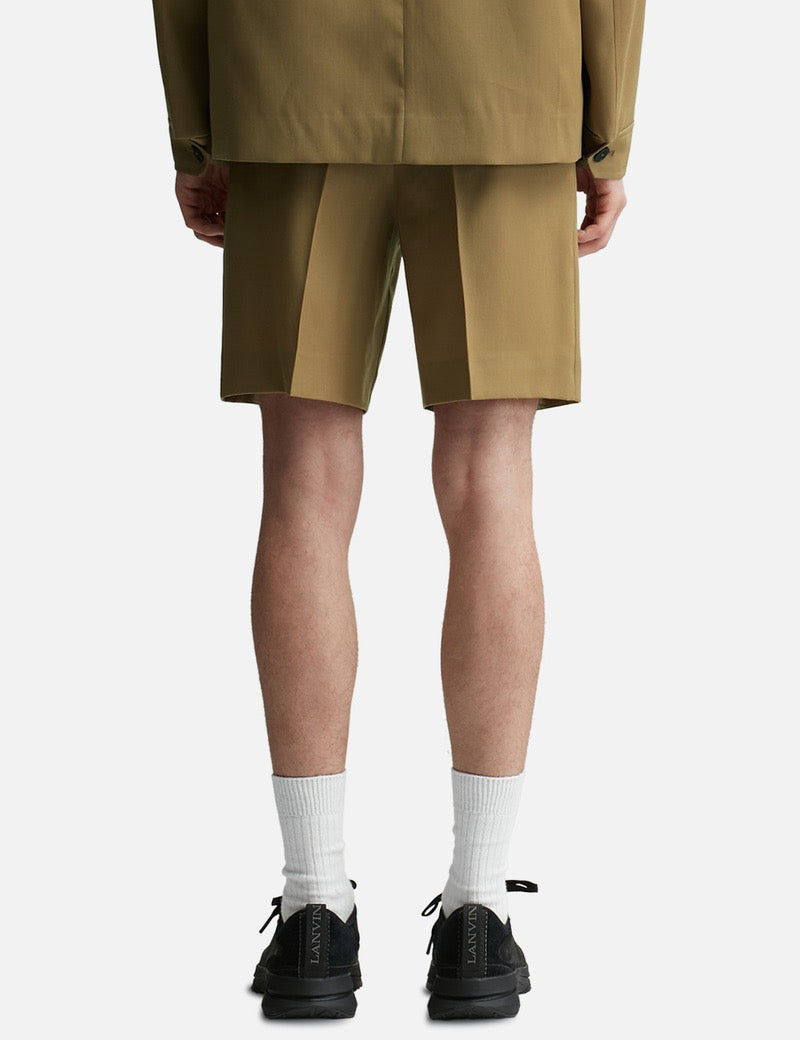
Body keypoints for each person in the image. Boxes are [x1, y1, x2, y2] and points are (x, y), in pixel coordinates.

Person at [151, 0, 647, 1021]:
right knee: (489, 478)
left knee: (304, 477)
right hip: (507, 80)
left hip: (287, 75)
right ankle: (478, 912)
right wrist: (605, 131)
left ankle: (313, 910)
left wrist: (199, 123)